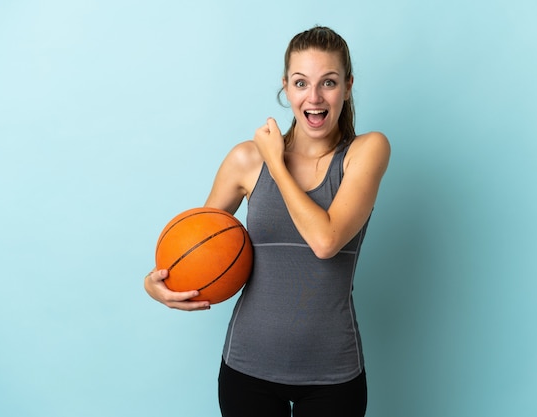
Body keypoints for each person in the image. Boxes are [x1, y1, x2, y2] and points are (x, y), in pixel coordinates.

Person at [144, 26, 390, 417]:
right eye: (301, 83)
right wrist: (156, 283)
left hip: (333, 375)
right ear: (286, 88)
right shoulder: (245, 160)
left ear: (347, 87)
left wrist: (276, 163)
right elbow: (197, 246)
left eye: (328, 82)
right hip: (247, 369)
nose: (314, 97)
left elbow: (325, 242)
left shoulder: (366, 151)